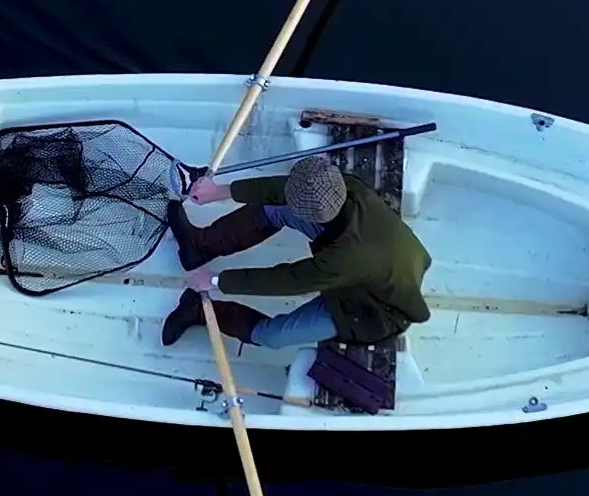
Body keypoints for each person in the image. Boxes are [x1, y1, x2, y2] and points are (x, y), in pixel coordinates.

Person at [158, 149, 433, 354]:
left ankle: (198, 311)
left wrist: (217, 281)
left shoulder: (342, 260)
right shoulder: (348, 187)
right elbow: (286, 190)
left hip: (371, 310)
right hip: (382, 264)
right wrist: (221, 191)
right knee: (277, 207)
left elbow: (286, 280)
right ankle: (199, 246)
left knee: (273, 337)